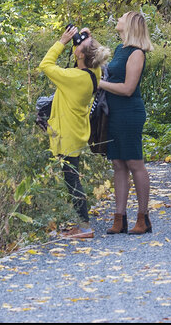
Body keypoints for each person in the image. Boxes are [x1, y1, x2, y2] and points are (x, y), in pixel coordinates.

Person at [39, 25, 110, 239]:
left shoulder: (73, 77)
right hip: (77, 131)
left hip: (67, 135)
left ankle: (85, 226)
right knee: (72, 177)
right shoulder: (94, 71)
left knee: (72, 180)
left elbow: (45, 64)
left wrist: (62, 41)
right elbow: (91, 54)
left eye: (79, 46)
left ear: (79, 55)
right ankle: (80, 224)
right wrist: (88, 38)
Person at [97, 11, 153, 235]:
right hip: (114, 112)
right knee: (118, 164)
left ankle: (144, 218)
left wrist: (98, 83)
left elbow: (128, 88)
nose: (117, 19)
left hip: (129, 112)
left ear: (129, 24)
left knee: (134, 162)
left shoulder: (137, 53)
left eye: (121, 17)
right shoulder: (120, 49)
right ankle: (119, 219)